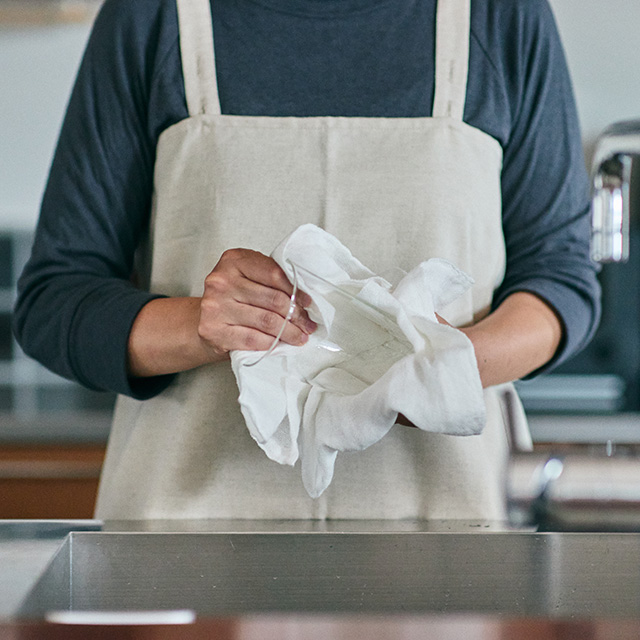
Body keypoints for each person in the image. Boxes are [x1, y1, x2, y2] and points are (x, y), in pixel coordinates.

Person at [13, 0, 600, 521]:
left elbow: (561, 280)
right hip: (187, 536)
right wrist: (202, 323)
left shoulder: (502, 16)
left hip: (445, 533)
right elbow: (55, 299)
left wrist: (442, 372)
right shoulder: (152, 15)